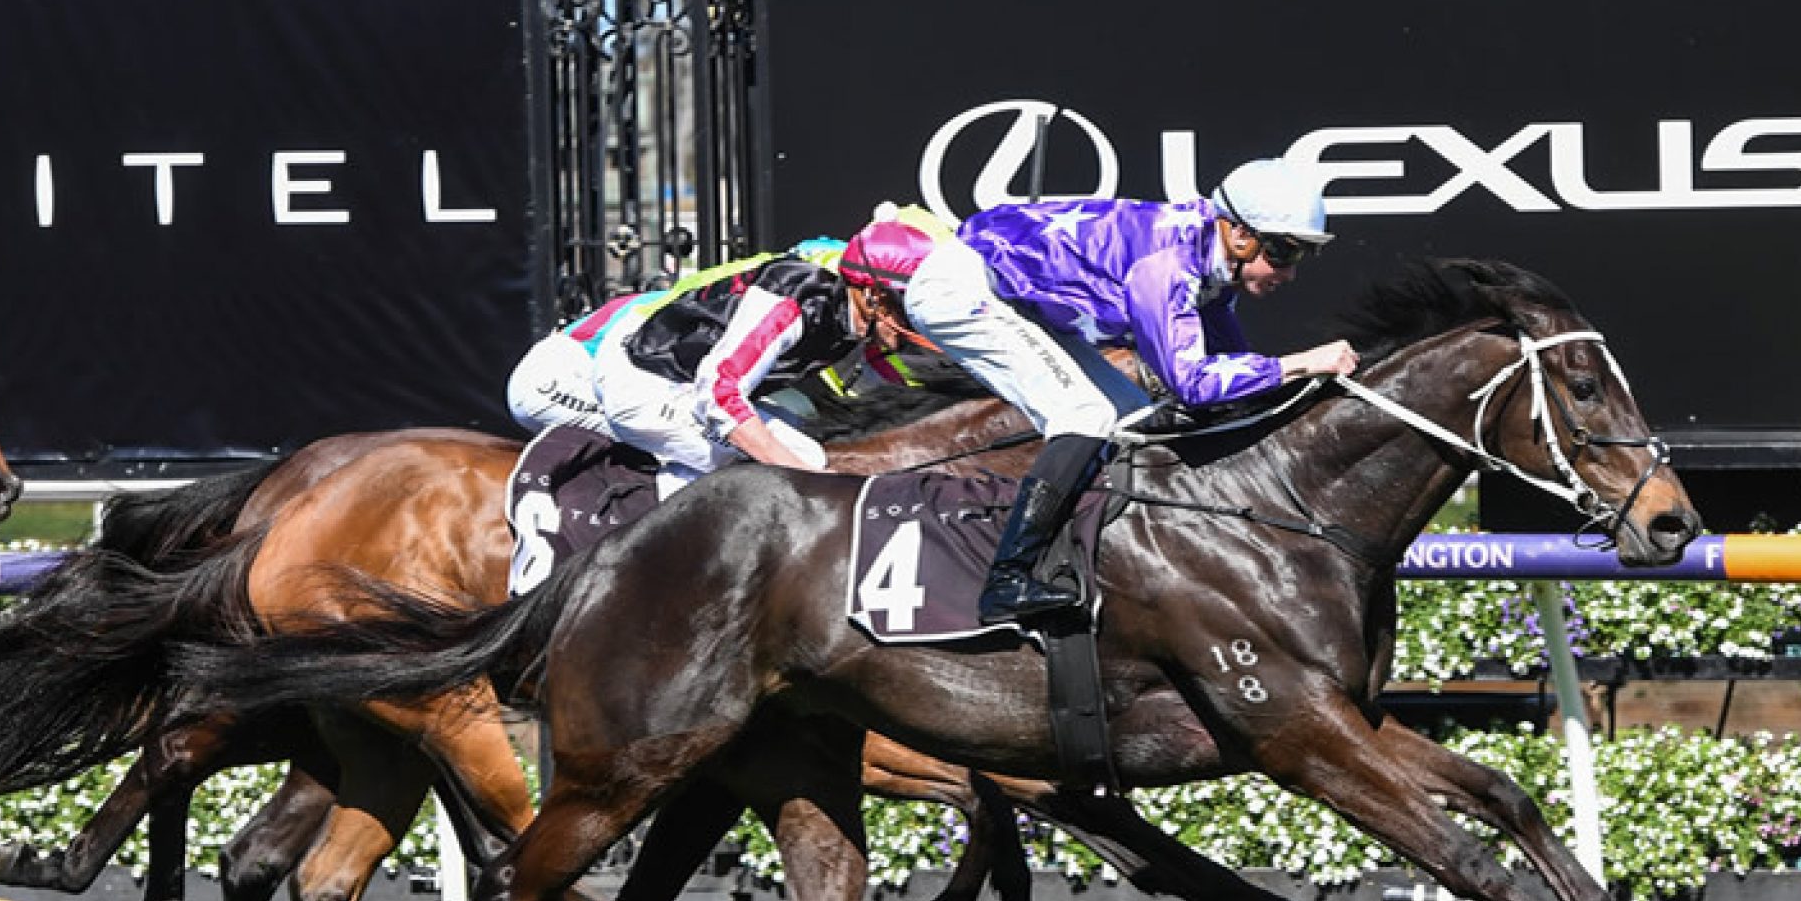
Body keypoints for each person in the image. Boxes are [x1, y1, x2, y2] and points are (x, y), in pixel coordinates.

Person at [902, 157, 1362, 625]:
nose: (1289, 273)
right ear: (1239, 234)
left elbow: (1234, 369)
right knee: (1084, 415)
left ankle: (1084, 550)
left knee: (1131, 415)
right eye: (1283, 253)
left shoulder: (1213, 262)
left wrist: (1296, 386)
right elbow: (1195, 384)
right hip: (962, 290)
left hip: (1018, 297)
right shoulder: (1166, 268)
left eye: (1301, 256)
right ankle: (1006, 581)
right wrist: (1299, 362)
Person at [506, 212, 943, 501]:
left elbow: (883, 396)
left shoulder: (850, 320)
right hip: (608, 378)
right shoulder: (796, 296)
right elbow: (719, 391)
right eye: (907, 302)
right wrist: (798, 471)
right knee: (785, 460)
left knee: (799, 435)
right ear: (871, 294)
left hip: (666, 371)